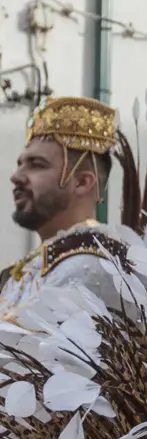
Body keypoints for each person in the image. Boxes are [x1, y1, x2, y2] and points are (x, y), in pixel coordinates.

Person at [1, 96, 128, 318]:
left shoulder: (94, 266)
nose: (16, 176)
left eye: (36, 165)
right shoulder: (22, 271)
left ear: (82, 182)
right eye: (20, 164)